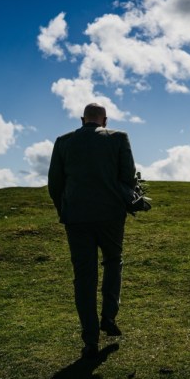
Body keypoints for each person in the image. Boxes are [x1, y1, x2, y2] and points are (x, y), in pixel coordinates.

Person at [48, 103, 137, 359]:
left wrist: (64, 209)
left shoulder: (63, 141)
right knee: (113, 261)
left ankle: (90, 339)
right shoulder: (119, 138)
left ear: (81, 119)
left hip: (75, 217)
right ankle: (108, 315)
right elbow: (128, 177)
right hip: (110, 215)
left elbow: (55, 183)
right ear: (105, 121)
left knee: (83, 277)